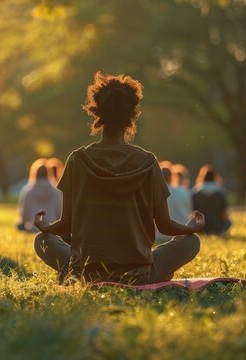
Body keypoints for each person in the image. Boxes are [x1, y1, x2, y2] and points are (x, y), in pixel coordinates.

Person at [33, 72, 204, 285]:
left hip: (86, 272)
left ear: (98, 113)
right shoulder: (148, 162)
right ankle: (150, 274)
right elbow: (165, 225)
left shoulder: (77, 160)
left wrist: (46, 226)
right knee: (192, 243)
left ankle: (71, 274)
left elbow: (67, 224)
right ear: (132, 116)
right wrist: (191, 228)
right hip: (139, 274)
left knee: (42, 241)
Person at [17, 158, 63, 232]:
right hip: (52, 227)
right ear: (49, 173)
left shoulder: (28, 192)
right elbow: (60, 214)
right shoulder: (57, 192)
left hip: (33, 228)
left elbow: (25, 216)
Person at [193, 165, 231, 235]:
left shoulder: (196, 191)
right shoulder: (220, 191)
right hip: (218, 228)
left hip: (201, 228)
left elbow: (193, 212)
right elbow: (225, 213)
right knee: (229, 222)